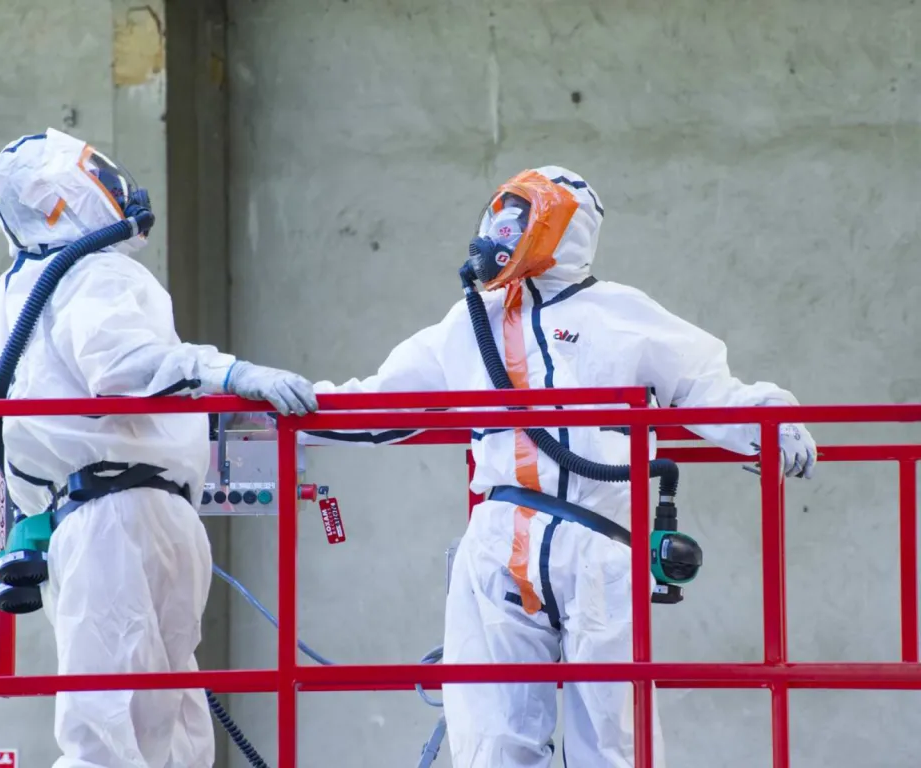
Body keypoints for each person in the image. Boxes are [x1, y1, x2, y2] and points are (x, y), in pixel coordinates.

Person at [302, 166, 816, 767]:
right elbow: (383, 402)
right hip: (498, 548)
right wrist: (277, 411)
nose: (497, 233)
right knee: (492, 743)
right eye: (497, 217)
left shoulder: (624, 316)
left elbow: (708, 385)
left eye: (515, 219)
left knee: (614, 743)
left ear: (555, 228)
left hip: (598, 547)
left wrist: (768, 423)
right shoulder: (471, 324)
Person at [0, 128, 318, 768]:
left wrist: (33, 454)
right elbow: (120, 367)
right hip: (122, 517)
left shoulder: (5, 300)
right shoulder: (100, 272)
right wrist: (228, 374)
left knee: (147, 710)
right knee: (123, 720)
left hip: (103, 517)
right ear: (66, 197)